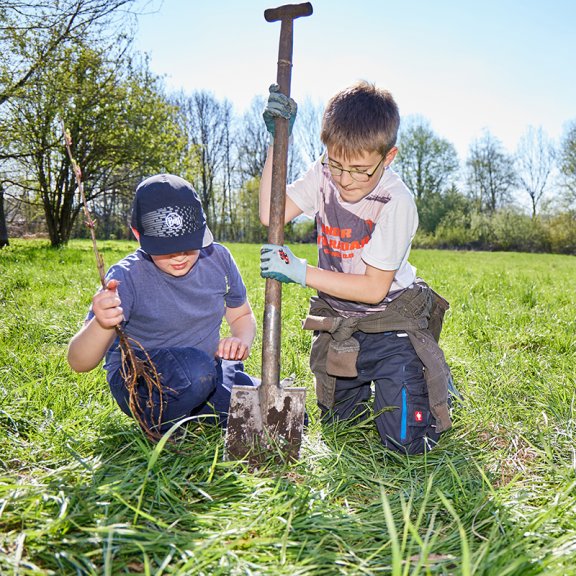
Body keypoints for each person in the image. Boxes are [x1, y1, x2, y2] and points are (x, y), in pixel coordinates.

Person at [259, 81, 454, 455]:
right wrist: (275, 144)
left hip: (391, 319)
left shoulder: (396, 202)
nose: (346, 179)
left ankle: (431, 384)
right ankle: (375, 386)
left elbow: (373, 289)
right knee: (340, 427)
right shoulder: (323, 174)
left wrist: (301, 272)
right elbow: (272, 214)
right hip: (340, 321)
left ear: (389, 156)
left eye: (360, 169)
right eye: (336, 164)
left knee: (404, 441)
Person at [68, 173, 257, 435]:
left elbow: (241, 316)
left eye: (189, 245)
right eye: (166, 248)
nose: (179, 256)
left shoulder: (219, 258)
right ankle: (160, 421)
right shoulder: (126, 278)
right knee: (196, 372)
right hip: (143, 382)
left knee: (270, 410)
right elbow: (79, 361)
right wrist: (102, 323)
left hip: (207, 372)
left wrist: (241, 340)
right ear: (137, 234)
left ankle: (194, 412)